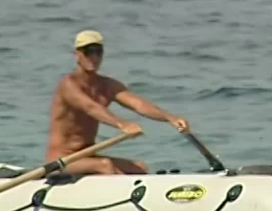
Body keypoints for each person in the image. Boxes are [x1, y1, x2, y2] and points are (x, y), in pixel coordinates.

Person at [44, 29, 190, 175]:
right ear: (77, 55)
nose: (94, 57)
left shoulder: (107, 85)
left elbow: (139, 104)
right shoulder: (68, 84)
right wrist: (122, 124)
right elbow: (90, 108)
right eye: (88, 52)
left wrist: (170, 118)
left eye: (98, 52)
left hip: (87, 156)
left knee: (140, 167)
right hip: (61, 160)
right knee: (104, 165)